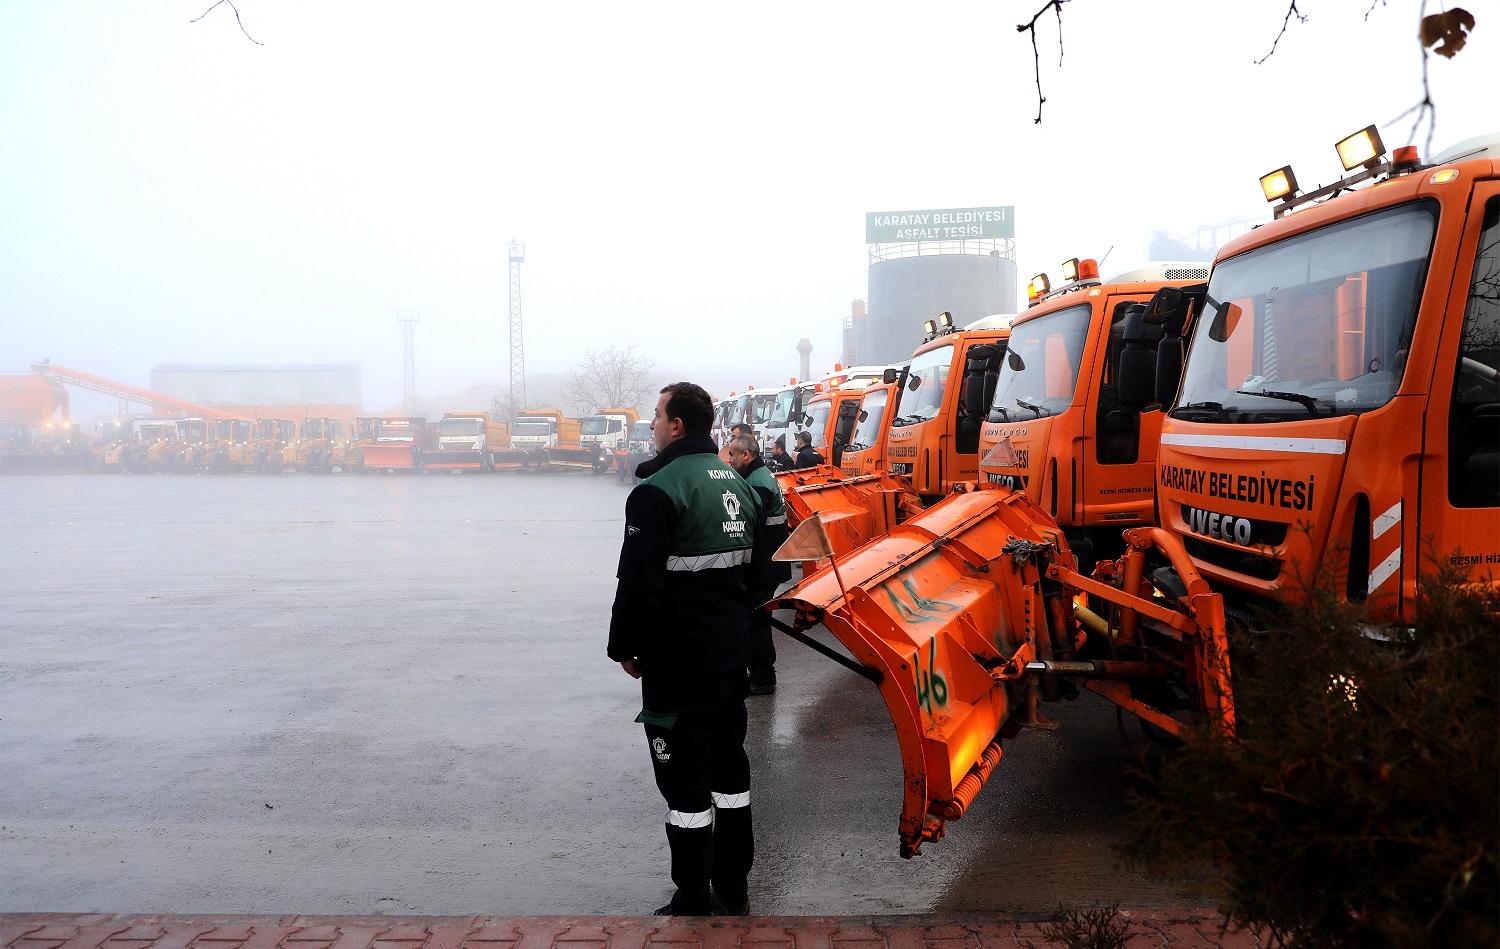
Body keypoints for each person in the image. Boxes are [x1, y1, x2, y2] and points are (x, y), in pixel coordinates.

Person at [608, 382, 761, 917]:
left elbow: (639, 584)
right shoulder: (737, 484)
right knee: (730, 773)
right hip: (729, 658)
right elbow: (759, 575)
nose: (651, 425)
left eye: (655, 416)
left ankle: (694, 895)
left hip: (678, 664)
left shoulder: (658, 491)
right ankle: (735, 886)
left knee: (684, 782)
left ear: (676, 426)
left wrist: (624, 647)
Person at [719, 434, 791, 695]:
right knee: (757, 619)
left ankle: (762, 678)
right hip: (770, 563)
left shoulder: (757, 483)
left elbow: (751, 528)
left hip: (763, 566)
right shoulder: (760, 476)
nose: (730, 459)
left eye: (733, 454)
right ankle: (761, 674)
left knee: (755, 621)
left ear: (746, 455)